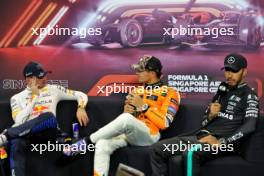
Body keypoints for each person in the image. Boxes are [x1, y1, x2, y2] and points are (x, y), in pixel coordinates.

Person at [64, 55, 181, 176]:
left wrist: (144, 107)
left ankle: (86, 142)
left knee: (126, 119)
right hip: (130, 134)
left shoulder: (171, 92)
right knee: (102, 144)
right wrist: (128, 111)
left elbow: (165, 123)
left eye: (140, 70)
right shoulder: (137, 91)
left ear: (152, 72)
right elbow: (127, 118)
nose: (137, 73)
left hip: (150, 135)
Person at [150, 53, 259, 176]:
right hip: (201, 139)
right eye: (227, 70)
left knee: (190, 153)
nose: (229, 75)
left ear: (244, 72)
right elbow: (203, 122)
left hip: (226, 145)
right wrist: (211, 116)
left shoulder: (249, 95)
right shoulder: (221, 91)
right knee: (157, 149)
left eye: (234, 71)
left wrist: (222, 142)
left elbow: (250, 126)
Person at [0, 61, 89, 176]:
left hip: (48, 132)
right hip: (27, 135)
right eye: (41, 76)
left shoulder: (54, 89)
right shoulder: (16, 98)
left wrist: (81, 107)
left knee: (49, 117)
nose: (45, 78)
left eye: (46, 74)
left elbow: (81, 95)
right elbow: (19, 122)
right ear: (29, 79)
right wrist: (35, 97)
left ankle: (5, 136)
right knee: (16, 142)